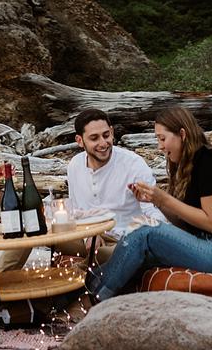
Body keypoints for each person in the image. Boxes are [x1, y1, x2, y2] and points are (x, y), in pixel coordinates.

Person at [86, 106, 212, 303]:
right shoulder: (183, 163)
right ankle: (86, 285)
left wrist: (164, 198)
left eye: (162, 138)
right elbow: (185, 224)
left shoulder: (210, 161)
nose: (159, 146)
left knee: (146, 232)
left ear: (182, 134)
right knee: (139, 237)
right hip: (205, 243)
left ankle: (94, 299)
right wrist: (156, 202)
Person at [61, 108, 165, 262]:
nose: (103, 143)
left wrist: (135, 239)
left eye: (106, 135)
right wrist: (90, 234)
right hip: (88, 237)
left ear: (112, 131)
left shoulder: (133, 165)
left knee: (105, 255)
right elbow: (77, 213)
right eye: (94, 138)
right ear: (79, 141)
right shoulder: (75, 165)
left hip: (125, 240)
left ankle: (87, 274)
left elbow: (155, 215)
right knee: (44, 237)